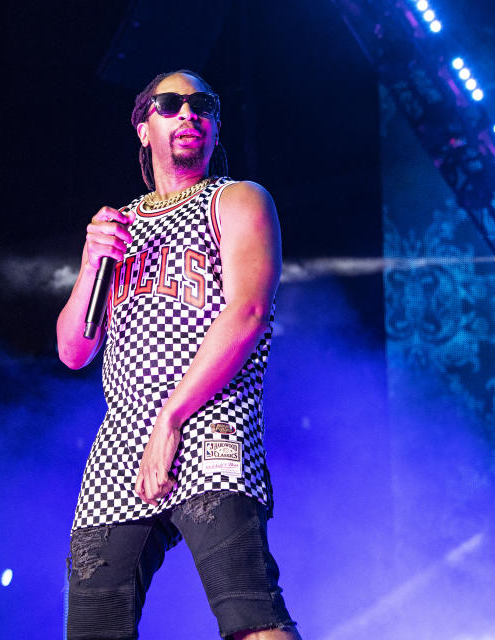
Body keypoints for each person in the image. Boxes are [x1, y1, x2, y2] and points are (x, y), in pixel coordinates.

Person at [56, 69, 301, 640]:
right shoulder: (119, 227)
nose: (189, 114)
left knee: (250, 615)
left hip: (212, 423)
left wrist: (173, 416)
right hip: (123, 445)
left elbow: (247, 314)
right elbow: (73, 351)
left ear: (215, 129)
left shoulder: (237, 199)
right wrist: (92, 263)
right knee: (93, 631)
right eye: (170, 104)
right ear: (143, 128)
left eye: (203, 105)